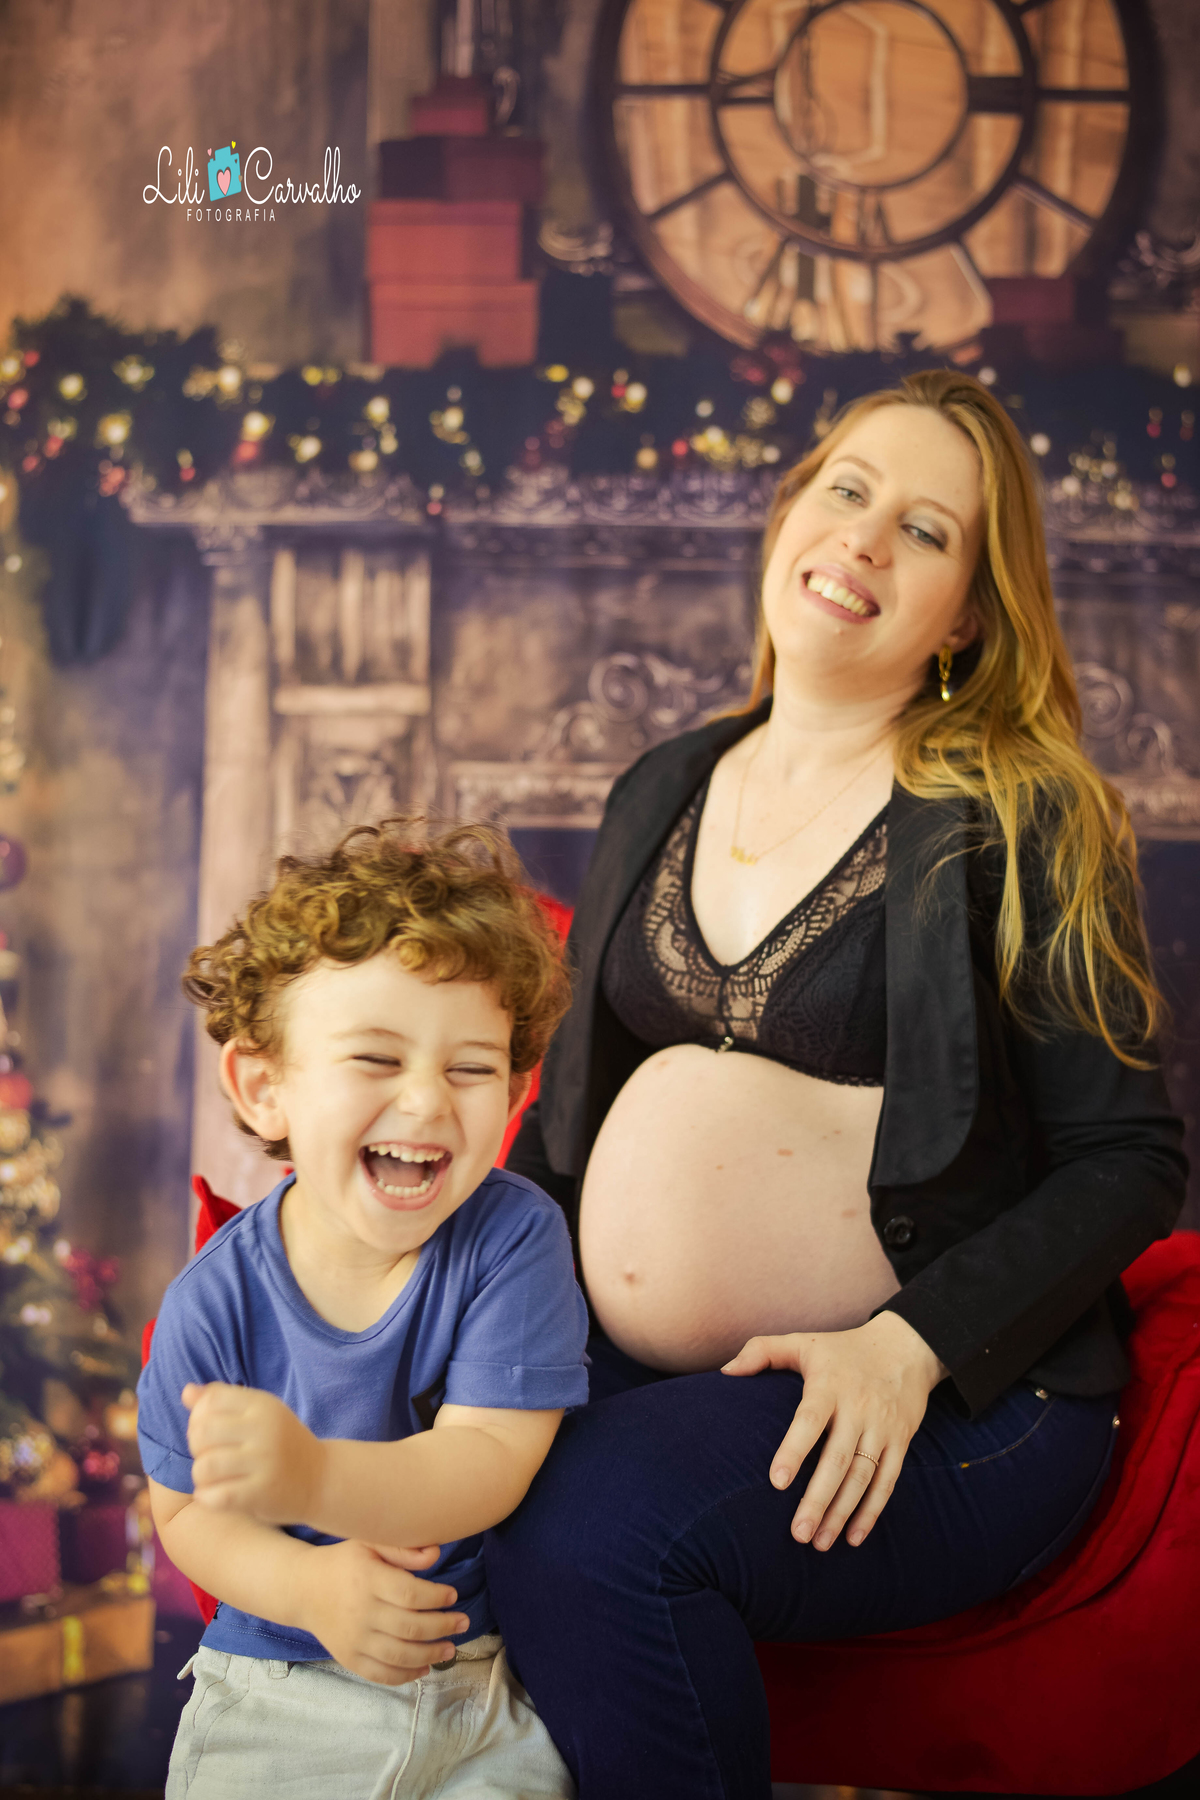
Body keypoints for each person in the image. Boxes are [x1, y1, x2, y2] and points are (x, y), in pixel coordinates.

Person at [489, 369, 1188, 1800]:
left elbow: (1128, 1159)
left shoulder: (1024, 812)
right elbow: (564, 1143)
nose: (865, 541)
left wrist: (908, 1345)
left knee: (596, 1526)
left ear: (972, 615)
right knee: (436, 1480)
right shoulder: (661, 785)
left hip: (960, 1403)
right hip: (670, 1368)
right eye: (849, 490)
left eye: (928, 532)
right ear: (793, 511)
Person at [137, 821, 589, 1800]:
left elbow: (488, 1464)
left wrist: (313, 1478)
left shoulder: (514, 1242)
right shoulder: (212, 1301)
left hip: (482, 1699)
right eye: (377, 1061)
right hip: (278, 1687)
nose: (428, 1102)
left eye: (471, 1070)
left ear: (514, 1089)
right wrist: (310, 1587)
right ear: (266, 1089)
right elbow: (181, 1513)